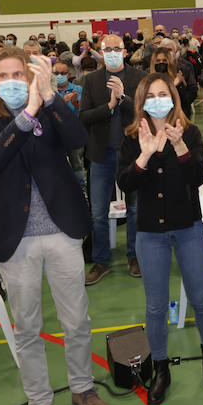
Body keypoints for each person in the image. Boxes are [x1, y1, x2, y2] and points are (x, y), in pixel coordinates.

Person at [0, 48, 106, 405]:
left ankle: (83, 388)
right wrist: (26, 115)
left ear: (32, 77)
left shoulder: (49, 106)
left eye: (19, 73)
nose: (12, 80)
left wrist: (49, 98)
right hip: (16, 237)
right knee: (27, 327)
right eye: (4, 74)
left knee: (76, 318)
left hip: (62, 230)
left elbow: (78, 139)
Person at [117, 72, 203, 405]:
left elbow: (198, 175)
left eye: (164, 93)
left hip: (188, 227)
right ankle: (161, 368)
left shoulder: (187, 132)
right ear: (142, 102)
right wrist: (144, 155)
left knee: (201, 298)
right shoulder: (133, 136)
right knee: (156, 306)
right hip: (150, 233)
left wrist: (178, 145)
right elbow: (127, 183)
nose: (158, 100)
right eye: (152, 95)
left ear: (173, 97)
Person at [78, 34, 145, 283]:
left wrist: (123, 99)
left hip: (132, 153)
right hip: (101, 154)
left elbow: (144, 112)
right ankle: (101, 261)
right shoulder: (91, 80)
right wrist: (109, 105)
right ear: (101, 52)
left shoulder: (138, 78)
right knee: (97, 213)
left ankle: (135, 256)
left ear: (125, 51)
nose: (113, 52)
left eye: (118, 48)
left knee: (136, 208)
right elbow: (84, 116)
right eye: (108, 49)